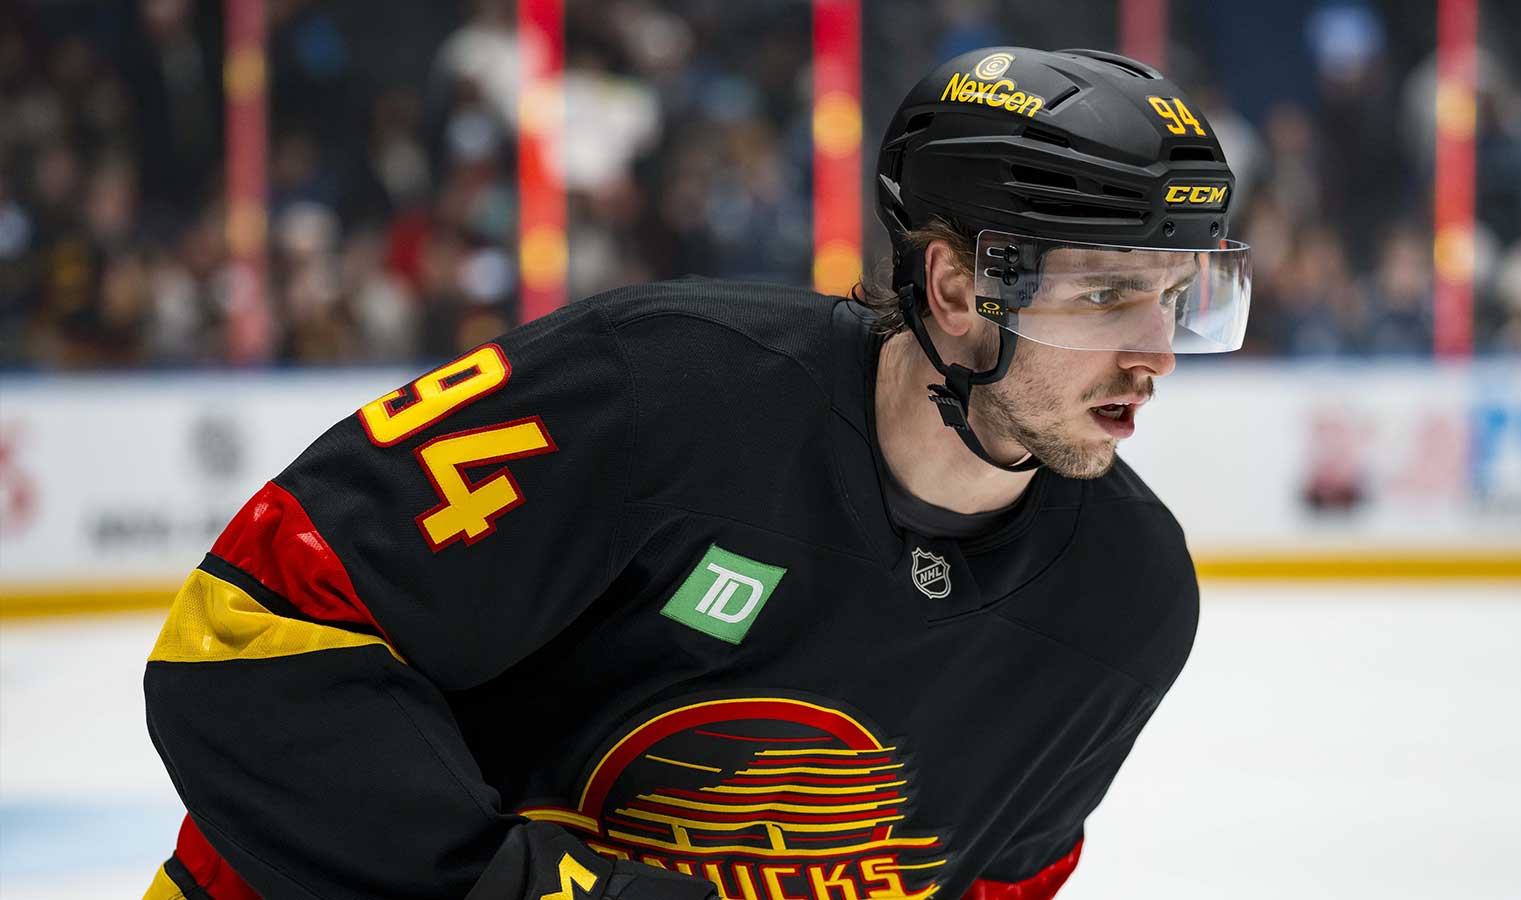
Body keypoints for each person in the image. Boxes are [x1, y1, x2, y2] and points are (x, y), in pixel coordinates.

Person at [142, 46, 1250, 900]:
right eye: (1106, 293)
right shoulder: (652, 388)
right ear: (958, 290)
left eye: (1176, 294)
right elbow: (252, 638)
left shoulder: (1125, 600)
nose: (1154, 350)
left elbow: (990, 879)